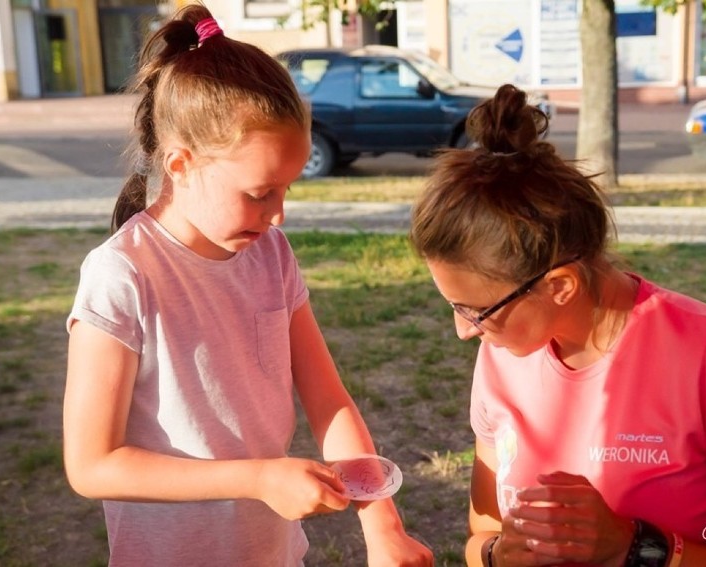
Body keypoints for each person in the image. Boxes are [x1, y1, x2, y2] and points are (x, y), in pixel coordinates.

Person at [62, 4, 433, 566]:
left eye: (287, 190)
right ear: (181, 165)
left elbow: (329, 401)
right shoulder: (122, 275)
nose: (278, 215)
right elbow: (92, 464)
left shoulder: (271, 255)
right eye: (261, 193)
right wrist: (258, 477)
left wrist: (382, 525)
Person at [409, 83, 706, 567]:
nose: (464, 331)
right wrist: (500, 554)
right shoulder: (503, 352)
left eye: (476, 311)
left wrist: (638, 549)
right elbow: (484, 532)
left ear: (561, 286)